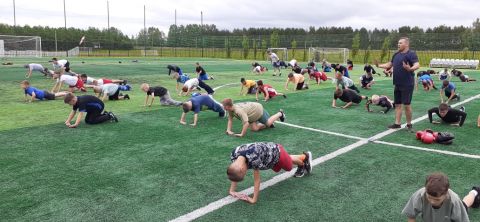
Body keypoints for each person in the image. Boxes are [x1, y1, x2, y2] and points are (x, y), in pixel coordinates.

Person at [227, 142, 313, 204]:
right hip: (268, 157)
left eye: (244, 173)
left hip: (277, 152)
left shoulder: (253, 159)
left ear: (242, 168)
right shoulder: (234, 156)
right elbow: (234, 172)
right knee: (283, 163)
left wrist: (254, 199)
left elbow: (257, 180)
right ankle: (292, 157)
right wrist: (232, 191)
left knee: (289, 167)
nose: (246, 173)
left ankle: (304, 160)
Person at [375, 37, 420, 130]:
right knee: (398, 104)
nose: (398, 44)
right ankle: (397, 123)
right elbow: (389, 65)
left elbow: (417, 65)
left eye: (400, 43)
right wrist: (378, 65)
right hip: (397, 83)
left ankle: (409, 124)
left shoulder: (411, 54)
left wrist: (410, 69)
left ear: (406, 44)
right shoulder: (396, 54)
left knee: (407, 105)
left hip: (407, 84)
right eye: (398, 43)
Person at [402, 172, 479, 222]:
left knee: (464, 204)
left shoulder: (454, 200)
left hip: (451, 218)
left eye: (437, 199)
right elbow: (411, 216)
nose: (432, 201)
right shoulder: (420, 194)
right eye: (429, 197)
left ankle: (475, 192)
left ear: (446, 194)